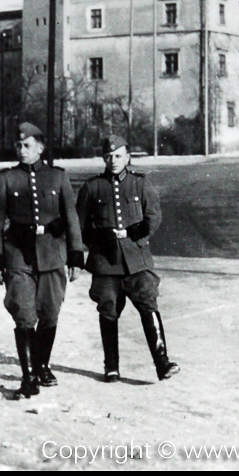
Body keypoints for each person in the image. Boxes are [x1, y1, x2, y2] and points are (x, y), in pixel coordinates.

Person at [0, 122, 84, 398]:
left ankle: (42, 365)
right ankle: (28, 377)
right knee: (24, 314)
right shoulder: (6, 178)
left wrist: (76, 255)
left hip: (52, 254)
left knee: (50, 312)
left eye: (27, 145)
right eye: (18, 145)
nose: (22, 150)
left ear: (40, 148)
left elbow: (72, 218)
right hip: (18, 254)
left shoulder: (58, 177)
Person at [76, 134, 179, 383]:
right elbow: (79, 225)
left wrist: (136, 232)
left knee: (148, 302)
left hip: (137, 259)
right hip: (105, 262)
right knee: (108, 308)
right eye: (109, 156)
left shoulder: (140, 184)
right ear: (103, 157)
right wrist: (98, 241)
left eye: (118, 155)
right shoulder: (92, 188)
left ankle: (162, 362)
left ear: (128, 157)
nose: (113, 160)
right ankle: (111, 366)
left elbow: (153, 216)